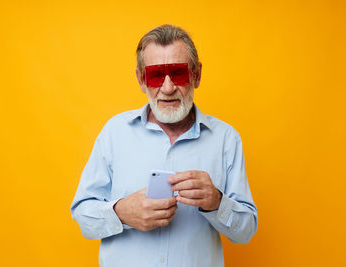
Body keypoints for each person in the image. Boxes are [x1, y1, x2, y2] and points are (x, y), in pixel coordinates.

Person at [71, 24, 258, 267]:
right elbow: (82, 214)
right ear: (141, 79)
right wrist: (120, 213)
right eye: (157, 75)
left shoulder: (226, 139)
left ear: (196, 75)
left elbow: (245, 232)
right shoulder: (114, 133)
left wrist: (216, 202)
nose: (168, 88)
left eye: (178, 74)